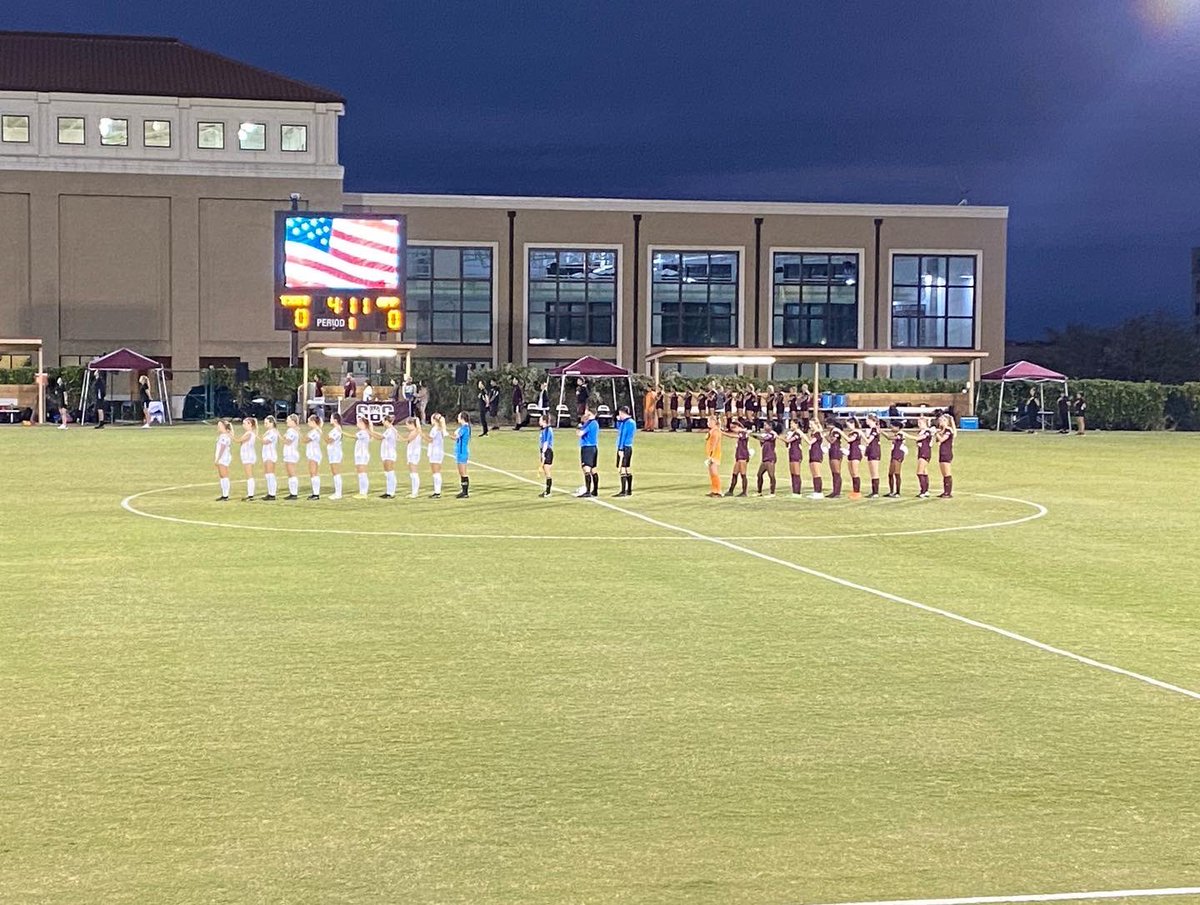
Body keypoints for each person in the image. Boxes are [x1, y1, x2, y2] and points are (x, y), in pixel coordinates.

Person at [575, 407, 600, 497]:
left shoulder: (591, 423)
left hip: (588, 448)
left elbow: (579, 433)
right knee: (593, 469)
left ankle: (588, 491)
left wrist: (580, 424)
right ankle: (595, 490)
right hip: (593, 447)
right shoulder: (593, 423)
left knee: (586, 469)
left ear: (590, 414)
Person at [723, 419, 751, 497]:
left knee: (743, 474)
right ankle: (730, 491)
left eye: (733, 428)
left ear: (738, 426)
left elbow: (732, 436)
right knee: (735, 474)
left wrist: (722, 433)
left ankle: (744, 492)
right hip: (739, 456)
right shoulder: (742, 432)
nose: (732, 430)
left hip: (743, 456)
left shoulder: (744, 433)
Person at [373, 413, 398, 498]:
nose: (383, 423)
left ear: (387, 421)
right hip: (386, 453)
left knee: (390, 472)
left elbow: (381, 437)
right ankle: (388, 491)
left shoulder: (390, 430)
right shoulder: (389, 430)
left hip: (389, 454)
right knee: (387, 473)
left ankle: (391, 492)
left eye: (383, 421)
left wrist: (371, 431)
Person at [614, 405, 636, 497]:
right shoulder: (629, 422)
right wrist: (618, 421)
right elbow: (618, 428)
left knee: (622, 469)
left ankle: (623, 491)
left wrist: (620, 449)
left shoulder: (628, 423)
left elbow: (623, 435)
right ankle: (629, 490)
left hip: (625, 447)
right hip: (628, 447)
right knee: (627, 468)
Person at [935, 413, 957, 498]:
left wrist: (936, 433)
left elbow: (941, 440)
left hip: (946, 452)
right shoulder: (943, 430)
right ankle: (945, 491)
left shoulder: (948, 430)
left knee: (947, 473)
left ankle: (948, 492)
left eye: (942, 420)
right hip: (942, 452)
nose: (940, 422)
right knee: (944, 473)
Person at [237, 416, 258, 501]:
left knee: (249, 475)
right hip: (247, 455)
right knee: (249, 475)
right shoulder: (249, 433)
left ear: (250, 424)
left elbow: (238, 440)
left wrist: (230, 434)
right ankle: (250, 494)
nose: (243, 425)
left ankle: (250, 495)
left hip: (248, 456)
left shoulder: (249, 433)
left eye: (245, 423)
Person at [755, 423, 778, 496]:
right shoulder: (764, 434)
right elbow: (762, 443)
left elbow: (765, 438)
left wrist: (753, 435)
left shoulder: (773, 434)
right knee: (759, 474)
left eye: (766, 425)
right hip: (764, 457)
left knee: (771, 475)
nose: (764, 427)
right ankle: (759, 492)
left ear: (770, 426)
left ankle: (772, 493)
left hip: (770, 457)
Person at [863, 413, 883, 498]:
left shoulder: (874, 429)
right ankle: (874, 491)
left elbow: (868, 441)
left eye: (867, 419)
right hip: (871, 451)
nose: (866, 421)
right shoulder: (872, 429)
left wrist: (862, 434)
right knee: (872, 472)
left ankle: (875, 492)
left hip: (874, 452)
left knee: (874, 472)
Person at [282, 414, 302, 500]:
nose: (286, 421)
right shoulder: (292, 430)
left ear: (293, 422)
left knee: (292, 473)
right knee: (290, 474)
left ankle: (294, 493)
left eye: (288, 420)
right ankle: (292, 492)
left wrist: (280, 437)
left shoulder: (291, 431)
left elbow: (288, 441)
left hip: (291, 453)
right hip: (289, 453)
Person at [427, 412, 447, 498]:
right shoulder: (441, 429)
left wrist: (421, 434)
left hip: (435, 452)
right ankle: (437, 491)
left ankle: (437, 492)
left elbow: (430, 439)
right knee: (437, 472)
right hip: (439, 452)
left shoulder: (435, 429)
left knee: (436, 472)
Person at [804, 419, 825, 499]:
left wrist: (803, 435)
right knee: (814, 474)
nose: (810, 426)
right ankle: (816, 491)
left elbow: (810, 442)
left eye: (811, 424)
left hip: (816, 454)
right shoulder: (814, 433)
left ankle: (819, 492)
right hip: (812, 453)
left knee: (817, 473)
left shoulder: (817, 434)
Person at [914, 415, 933, 498]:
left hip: (925, 453)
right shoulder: (920, 432)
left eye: (920, 423)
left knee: (919, 472)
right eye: (918, 423)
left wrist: (906, 435)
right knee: (924, 471)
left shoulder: (927, 432)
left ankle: (923, 491)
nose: (919, 424)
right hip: (921, 452)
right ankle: (926, 490)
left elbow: (918, 439)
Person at [326, 412, 344, 500]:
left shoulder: (337, 430)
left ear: (335, 420)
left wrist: (322, 435)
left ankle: (338, 493)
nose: (330, 420)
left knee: (336, 473)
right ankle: (337, 492)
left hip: (335, 453)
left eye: (331, 418)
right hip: (333, 452)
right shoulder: (336, 429)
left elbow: (330, 440)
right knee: (334, 473)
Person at [704, 415, 723, 497]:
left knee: (714, 473)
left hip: (714, 455)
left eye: (709, 421)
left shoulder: (715, 432)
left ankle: (718, 491)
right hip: (711, 454)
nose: (707, 423)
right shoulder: (713, 431)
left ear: (713, 422)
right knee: (712, 473)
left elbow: (714, 444)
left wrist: (711, 456)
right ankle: (714, 490)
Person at [305, 414, 323, 500]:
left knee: (314, 473)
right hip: (313, 453)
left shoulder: (315, 432)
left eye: (309, 421)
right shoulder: (315, 431)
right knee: (313, 473)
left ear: (313, 422)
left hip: (314, 454)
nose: (308, 423)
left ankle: (316, 494)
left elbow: (305, 440)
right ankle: (315, 493)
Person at [260, 416, 279, 500]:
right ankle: (270, 492)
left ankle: (272, 494)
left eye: (267, 423)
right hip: (266, 454)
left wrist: (257, 436)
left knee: (270, 474)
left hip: (270, 454)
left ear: (272, 423)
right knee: (267, 474)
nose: (265, 425)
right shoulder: (268, 432)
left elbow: (265, 441)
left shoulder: (273, 432)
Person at [214, 419, 233, 501]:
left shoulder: (224, 436)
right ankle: (224, 494)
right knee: (222, 476)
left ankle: (225, 495)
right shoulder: (222, 435)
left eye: (220, 426)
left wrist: (218, 459)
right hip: (222, 457)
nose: (218, 427)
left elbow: (222, 448)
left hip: (223, 457)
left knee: (224, 475)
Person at [785, 420, 805, 496]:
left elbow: (789, 441)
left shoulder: (798, 433)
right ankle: (794, 491)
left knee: (796, 473)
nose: (791, 425)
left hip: (796, 453)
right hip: (791, 453)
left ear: (796, 424)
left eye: (792, 424)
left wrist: (779, 437)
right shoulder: (791, 433)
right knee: (792, 473)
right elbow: (787, 444)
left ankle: (798, 492)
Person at [353, 415, 372, 497]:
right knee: (360, 474)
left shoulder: (363, 432)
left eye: (359, 422)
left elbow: (353, 436)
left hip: (362, 455)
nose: (357, 424)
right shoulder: (362, 432)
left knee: (362, 474)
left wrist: (341, 432)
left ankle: (364, 492)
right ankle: (362, 492)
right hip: (360, 454)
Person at [454, 412, 471, 498]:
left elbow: (456, 437)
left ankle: (465, 492)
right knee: (461, 472)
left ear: (462, 418)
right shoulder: (463, 428)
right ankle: (463, 491)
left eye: (459, 417)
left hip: (462, 452)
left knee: (463, 472)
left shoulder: (465, 428)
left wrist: (446, 433)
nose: (457, 419)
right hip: (460, 452)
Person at [826, 420, 845, 498]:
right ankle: (835, 491)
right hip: (832, 451)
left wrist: (826, 436)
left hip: (836, 451)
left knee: (836, 472)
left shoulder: (835, 431)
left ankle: (837, 492)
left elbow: (832, 441)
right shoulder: (832, 431)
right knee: (834, 473)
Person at [845, 419, 864, 499]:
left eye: (848, 424)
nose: (847, 426)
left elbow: (850, 440)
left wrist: (841, 433)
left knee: (855, 472)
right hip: (851, 452)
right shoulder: (852, 432)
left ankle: (857, 492)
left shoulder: (856, 432)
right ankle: (854, 490)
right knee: (852, 473)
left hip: (855, 453)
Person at [886, 428, 907, 497]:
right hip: (893, 455)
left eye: (893, 427)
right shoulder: (896, 434)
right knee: (890, 474)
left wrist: (881, 431)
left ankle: (898, 492)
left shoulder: (901, 434)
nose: (892, 428)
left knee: (897, 473)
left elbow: (889, 438)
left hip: (898, 455)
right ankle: (891, 491)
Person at [538, 414, 555, 497]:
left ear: (544, 421)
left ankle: (548, 491)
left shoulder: (548, 430)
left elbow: (546, 442)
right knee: (545, 470)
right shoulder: (543, 430)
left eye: (540, 420)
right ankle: (547, 490)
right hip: (544, 451)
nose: (539, 422)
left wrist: (543, 453)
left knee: (547, 470)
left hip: (547, 451)